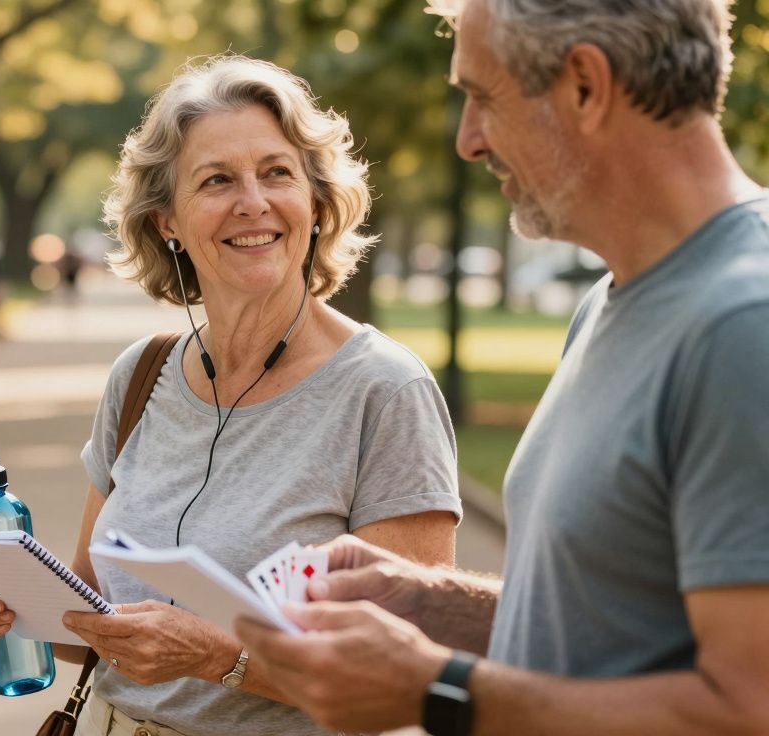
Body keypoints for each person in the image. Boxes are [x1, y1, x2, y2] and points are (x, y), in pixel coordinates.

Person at [235, 1, 769, 734]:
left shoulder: (744, 327)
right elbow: (619, 627)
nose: (466, 140)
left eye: (482, 97)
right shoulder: (613, 300)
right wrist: (428, 601)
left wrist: (439, 690)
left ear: (585, 85)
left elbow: (747, 708)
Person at [0, 55, 464, 736]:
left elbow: (407, 675)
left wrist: (222, 659)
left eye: (277, 173)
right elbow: (90, 619)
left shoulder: (384, 390)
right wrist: (13, 604)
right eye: (218, 180)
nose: (253, 201)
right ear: (167, 221)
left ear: (315, 200)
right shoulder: (140, 376)